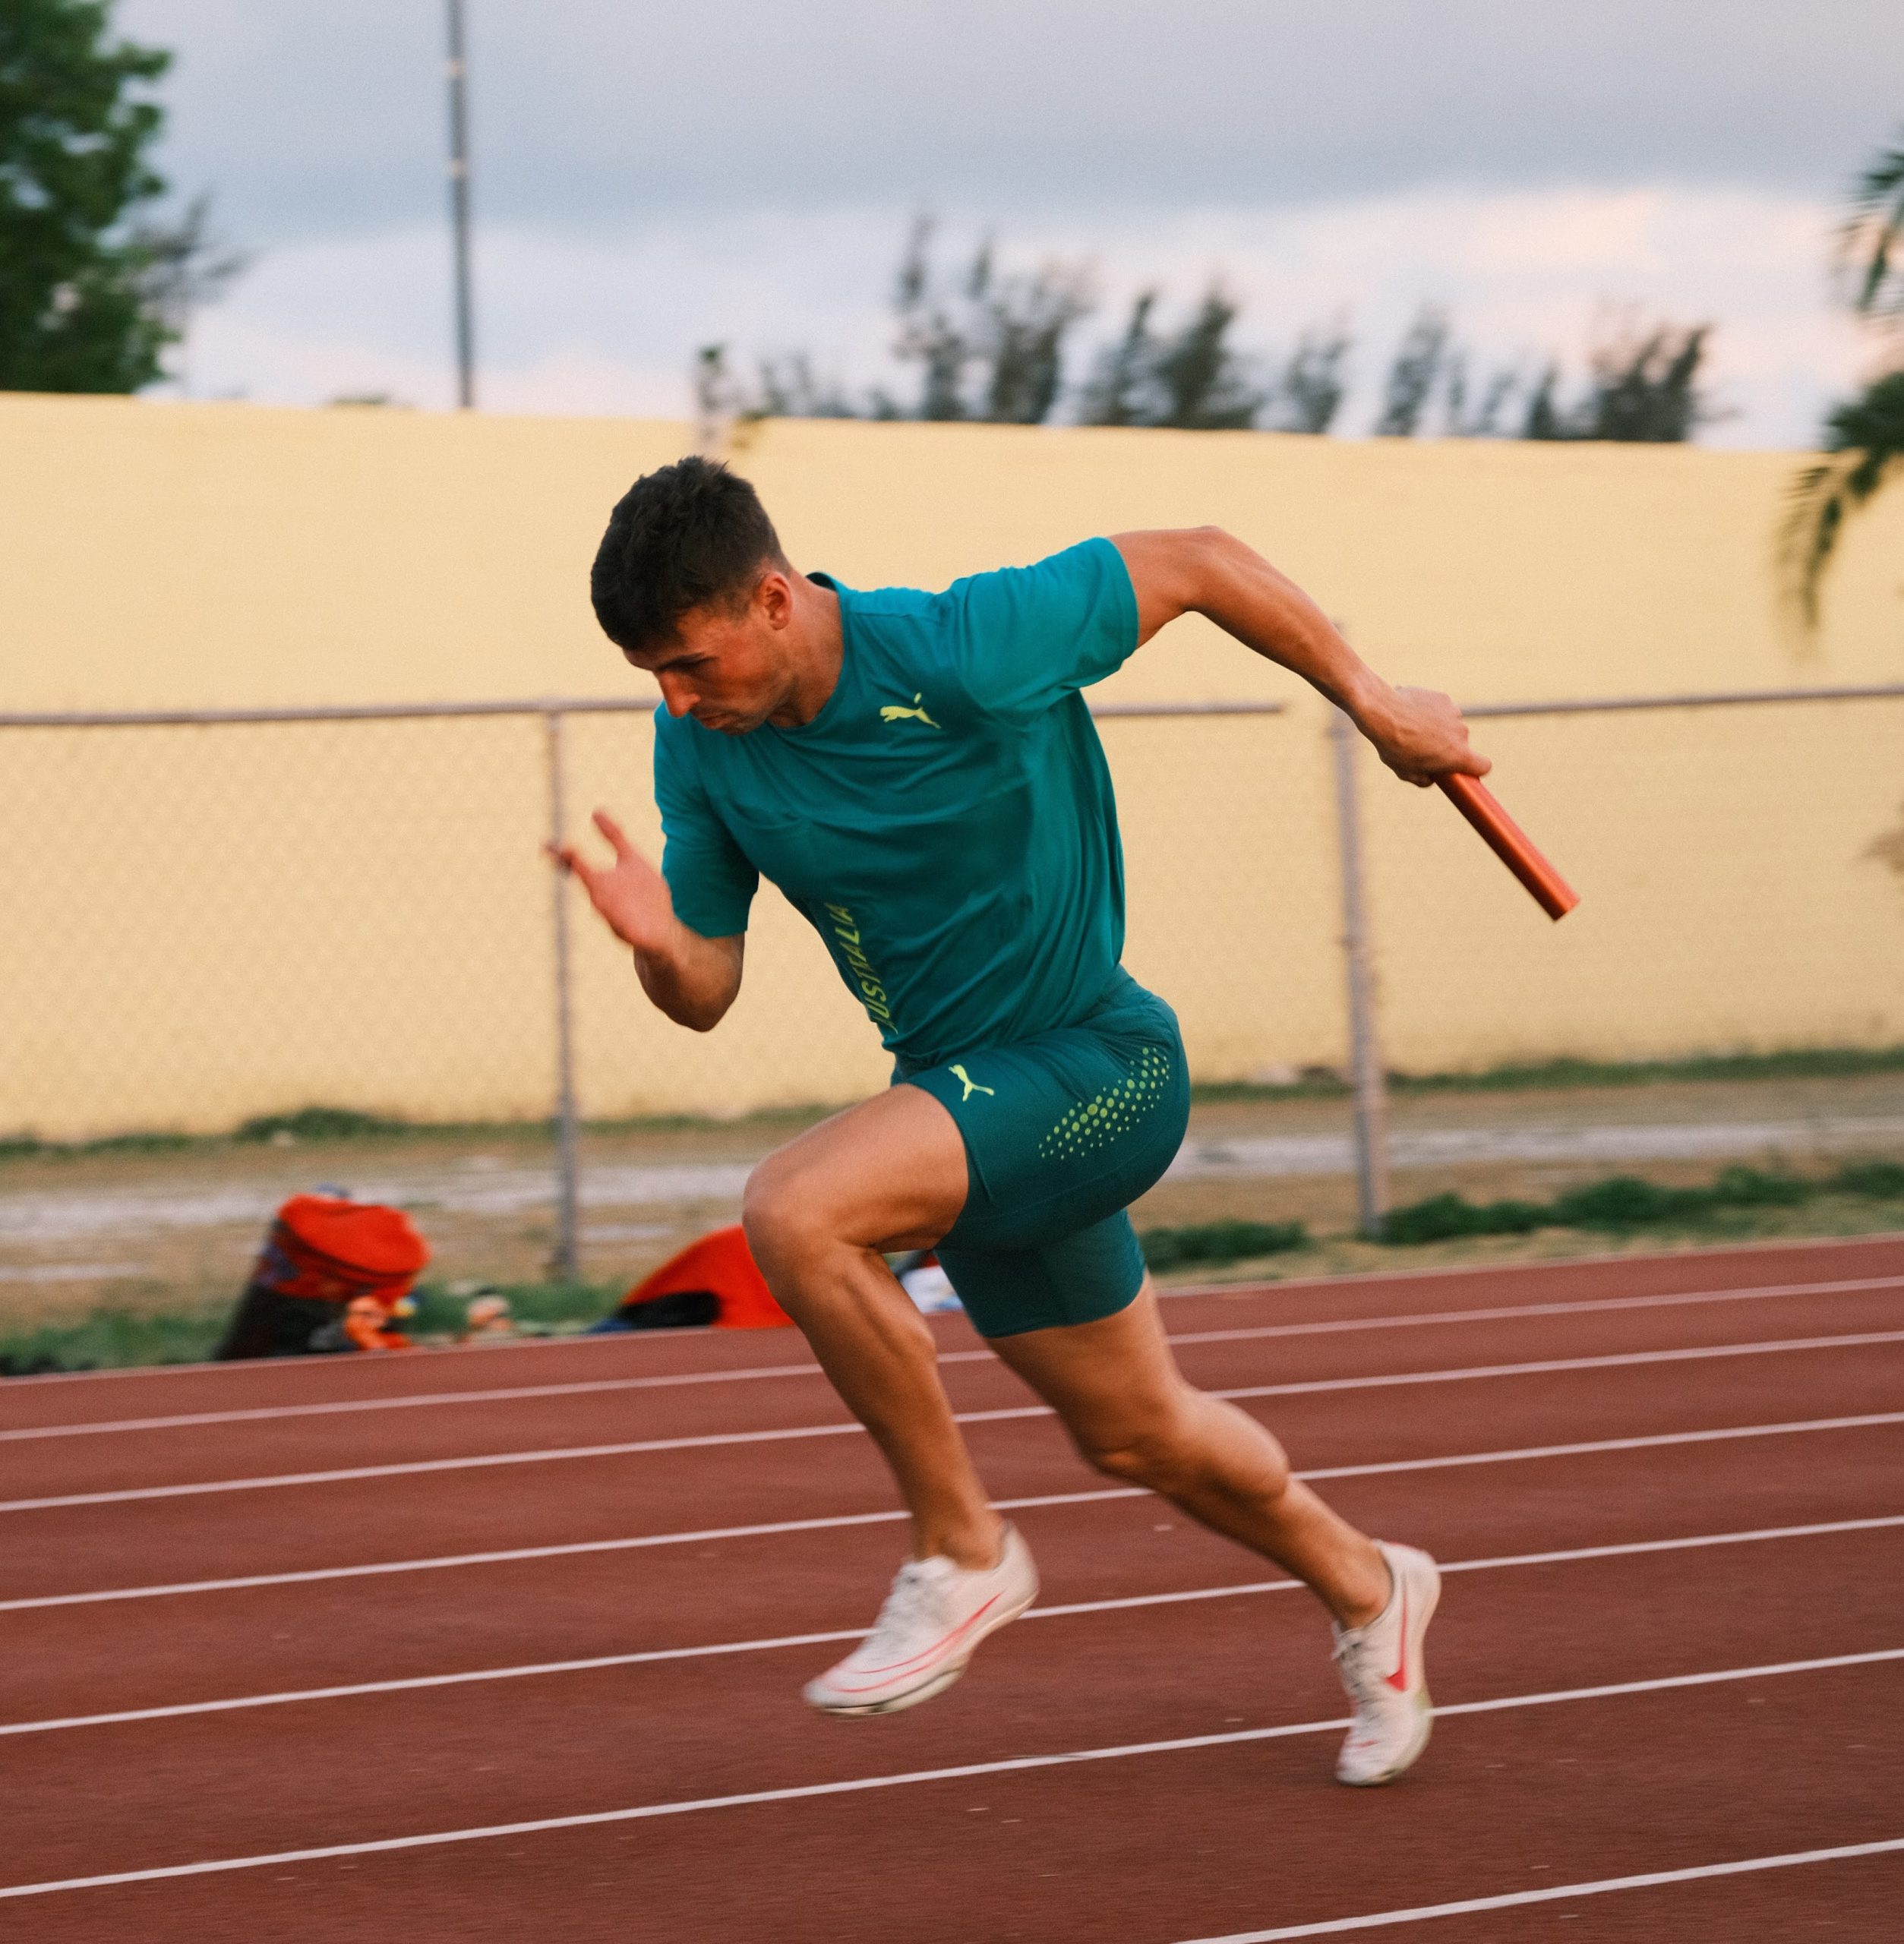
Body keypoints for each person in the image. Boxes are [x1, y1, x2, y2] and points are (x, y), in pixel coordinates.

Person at [559, 457, 1489, 1786]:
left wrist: (1376, 700)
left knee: (796, 1208)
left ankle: (963, 1553)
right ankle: (1372, 1588)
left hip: (1099, 1064)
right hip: (975, 1108)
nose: (675, 699)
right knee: (1139, 1435)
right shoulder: (701, 747)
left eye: (692, 664)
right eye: (654, 673)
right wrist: (656, 944)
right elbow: (704, 991)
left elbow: (1201, 558)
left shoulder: (962, 646)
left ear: (773, 599)